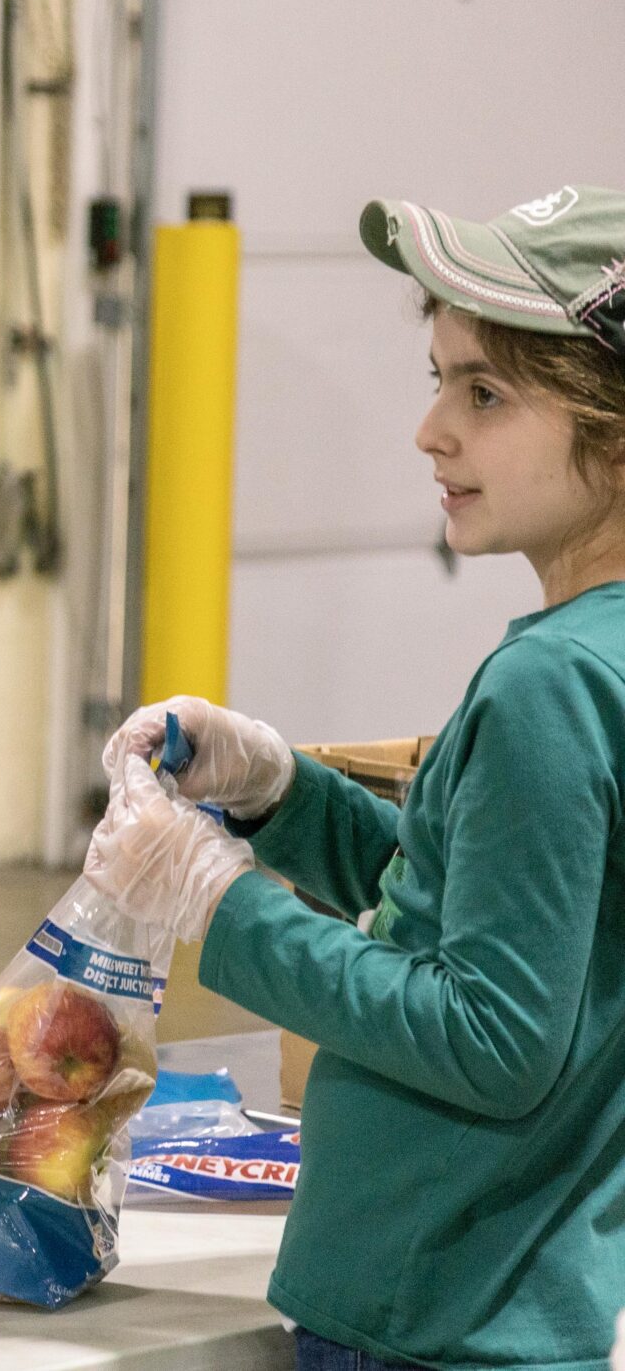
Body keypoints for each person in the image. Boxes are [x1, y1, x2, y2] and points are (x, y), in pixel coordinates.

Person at [93, 187, 625, 1371]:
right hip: (514, 1296)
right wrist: (276, 795)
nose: (430, 430)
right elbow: (484, 911)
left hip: (429, 1311)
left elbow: (489, 1034)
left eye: (483, 394)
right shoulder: (600, 659)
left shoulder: (549, 682)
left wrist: (219, 906)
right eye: (436, 380)